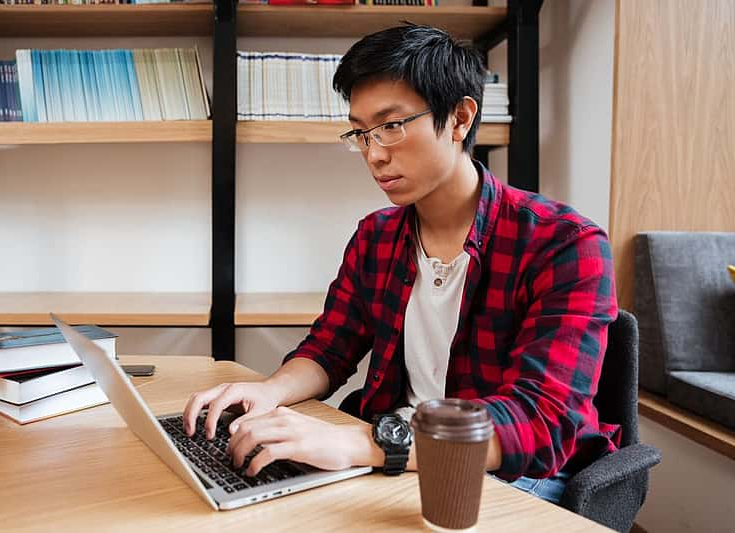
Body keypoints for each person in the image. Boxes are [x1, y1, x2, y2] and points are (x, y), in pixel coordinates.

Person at [183, 24, 620, 504]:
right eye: (361, 133)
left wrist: (360, 444)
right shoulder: (376, 237)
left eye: (391, 126)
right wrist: (270, 392)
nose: (374, 154)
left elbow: (539, 420)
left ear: (459, 119)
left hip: (509, 472)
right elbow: (329, 348)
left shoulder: (564, 244)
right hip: (389, 455)